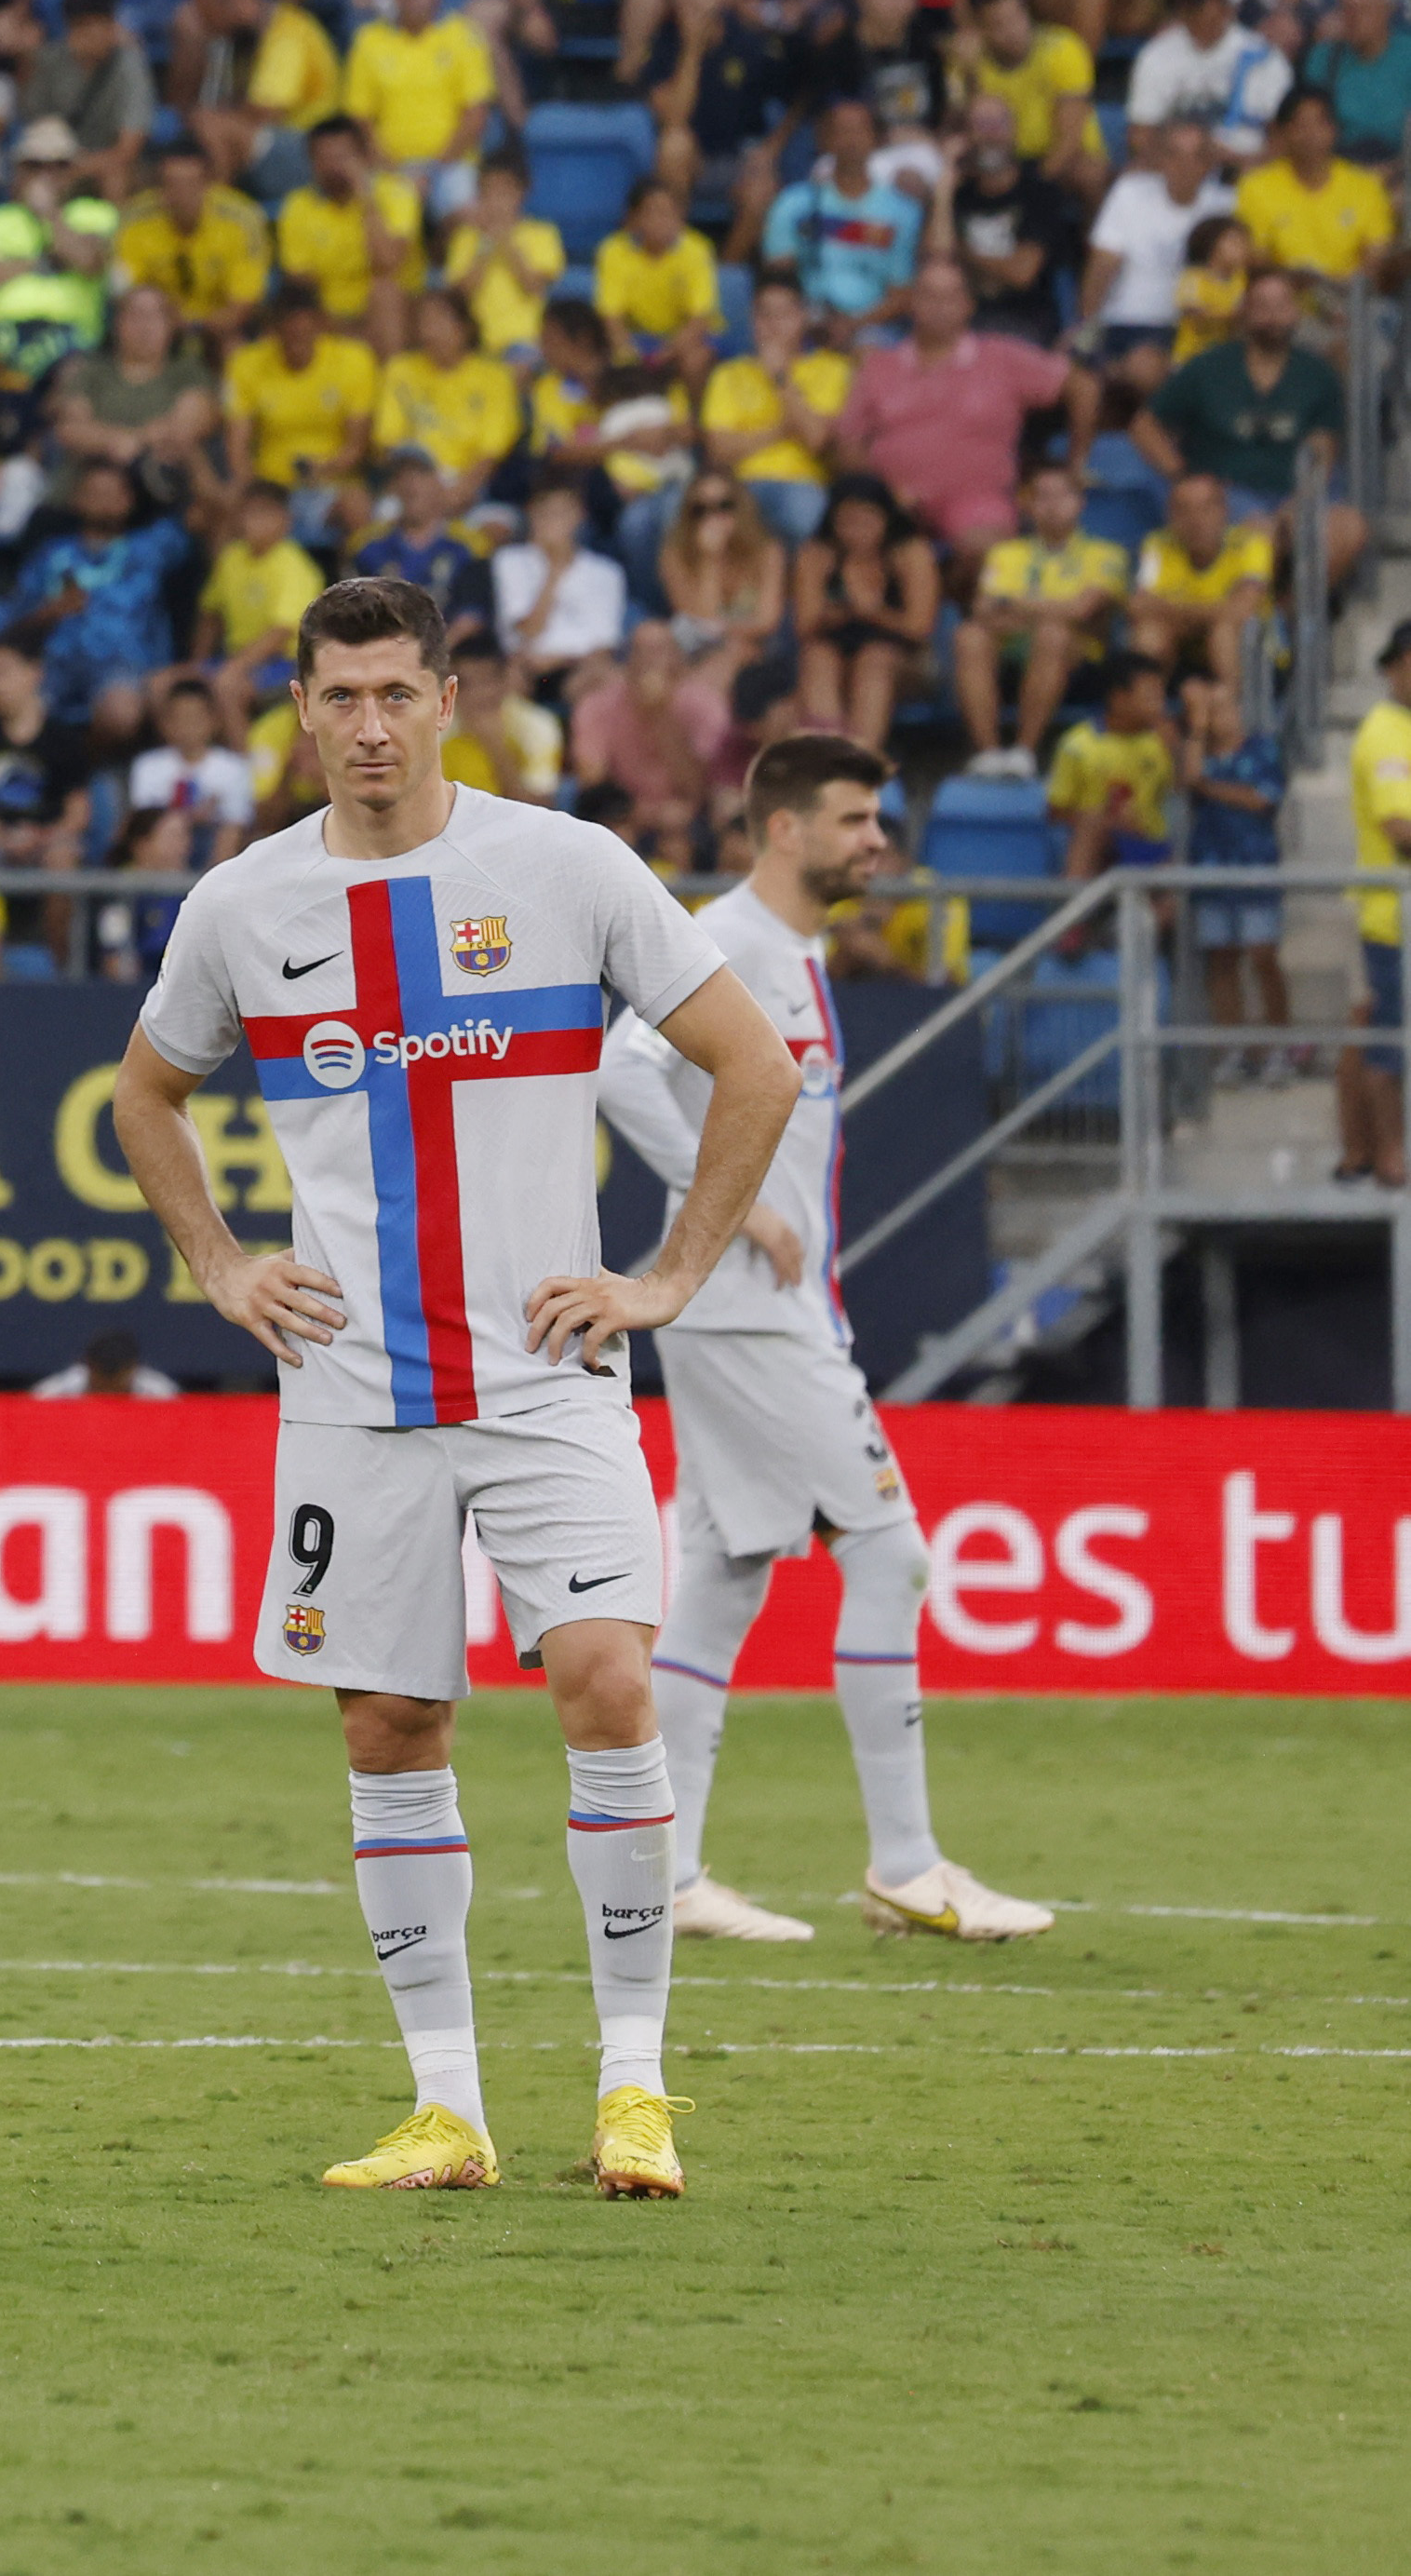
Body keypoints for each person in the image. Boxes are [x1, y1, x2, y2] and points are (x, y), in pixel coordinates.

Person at [108, 573, 805, 2201]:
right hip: (350, 1390)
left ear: (449, 700)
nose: (367, 724)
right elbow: (147, 1095)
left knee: (606, 1683)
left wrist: (667, 1279)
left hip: (549, 1369)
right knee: (388, 1719)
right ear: (296, 707)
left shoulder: (564, 868)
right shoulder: (240, 905)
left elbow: (751, 1064)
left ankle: (633, 2089)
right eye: (337, 695)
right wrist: (219, 1266)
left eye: (395, 694)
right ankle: (446, 2110)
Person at [604, 732, 1052, 1947]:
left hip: (758, 1306)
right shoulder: (730, 939)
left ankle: (673, 1873)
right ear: (785, 828)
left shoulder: (790, 950)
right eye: (856, 821)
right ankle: (906, 1866)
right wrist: (733, 1203)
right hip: (743, 1303)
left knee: (724, 1577)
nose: (877, 844)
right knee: (889, 1550)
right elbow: (614, 1065)